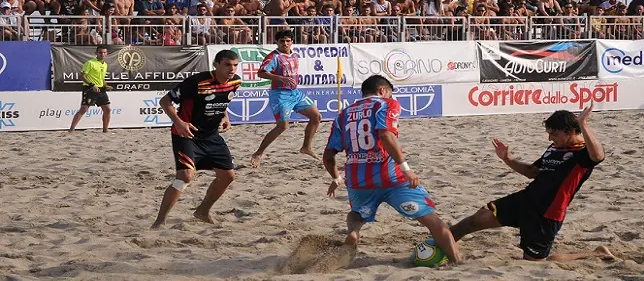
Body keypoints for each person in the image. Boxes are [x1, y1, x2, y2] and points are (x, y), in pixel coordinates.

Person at [448, 104, 616, 262]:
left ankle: (596, 253)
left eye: (554, 134)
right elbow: (532, 172)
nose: (550, 138)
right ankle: (439, 244)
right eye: (549, 133)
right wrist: (508, 159)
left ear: (571, 131)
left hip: (546, 214)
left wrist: (583, 124)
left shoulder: (582, 153)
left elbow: (598, 156)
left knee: (537, 263)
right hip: (525, 200)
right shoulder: (554, 148)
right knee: (476, 220)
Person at [323, 75, 462, 264]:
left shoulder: (343, 114)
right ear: (382, 91)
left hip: (358, 180)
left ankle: (354, 233)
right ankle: (457, 261)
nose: (391, 97)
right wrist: (406, 169)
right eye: (389, 93)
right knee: (432, 220)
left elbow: (328, 155)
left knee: (357, 213)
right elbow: (386, 134)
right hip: (391, 177)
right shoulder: (386, 104)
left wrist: (337, 178)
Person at [151, 50, 242, 229]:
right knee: (185, 176)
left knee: (228, 177)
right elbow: (165, 102)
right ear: (216, 65)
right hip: (187, 134)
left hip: (211, 136)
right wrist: (179, 122)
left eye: (235, 65)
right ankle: (160, 222)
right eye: (227, 64)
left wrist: (225, 117)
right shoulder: (196, 82)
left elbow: (221, 100)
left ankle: (202, 211)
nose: (232, 69)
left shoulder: (235, 82)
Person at [250, 30, 322, 168]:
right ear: (276, 42)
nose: (285, 43)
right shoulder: (273, 57)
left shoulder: (294, 54)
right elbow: (261, 72)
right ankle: (258, 153)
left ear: (292, 42)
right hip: (280, 94)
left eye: (288, 41)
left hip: (295, 93)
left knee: (316, 117)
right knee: (283, 126)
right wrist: (280, 78)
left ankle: (306, 147)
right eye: (282, 41)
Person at [68, 45, 112, 133]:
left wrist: (106, 85)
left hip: (101, 89)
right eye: (100, 52)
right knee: (84, 109)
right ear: (96, 53)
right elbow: (83, 76)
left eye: (104, 52)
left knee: (107, 109)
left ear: (107, 53)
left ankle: (105, 130)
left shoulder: (105, 64)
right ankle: (71, 130)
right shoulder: (90, 63)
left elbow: (101, 78)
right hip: (89, 88)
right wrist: (92, 85)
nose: (102, 54)